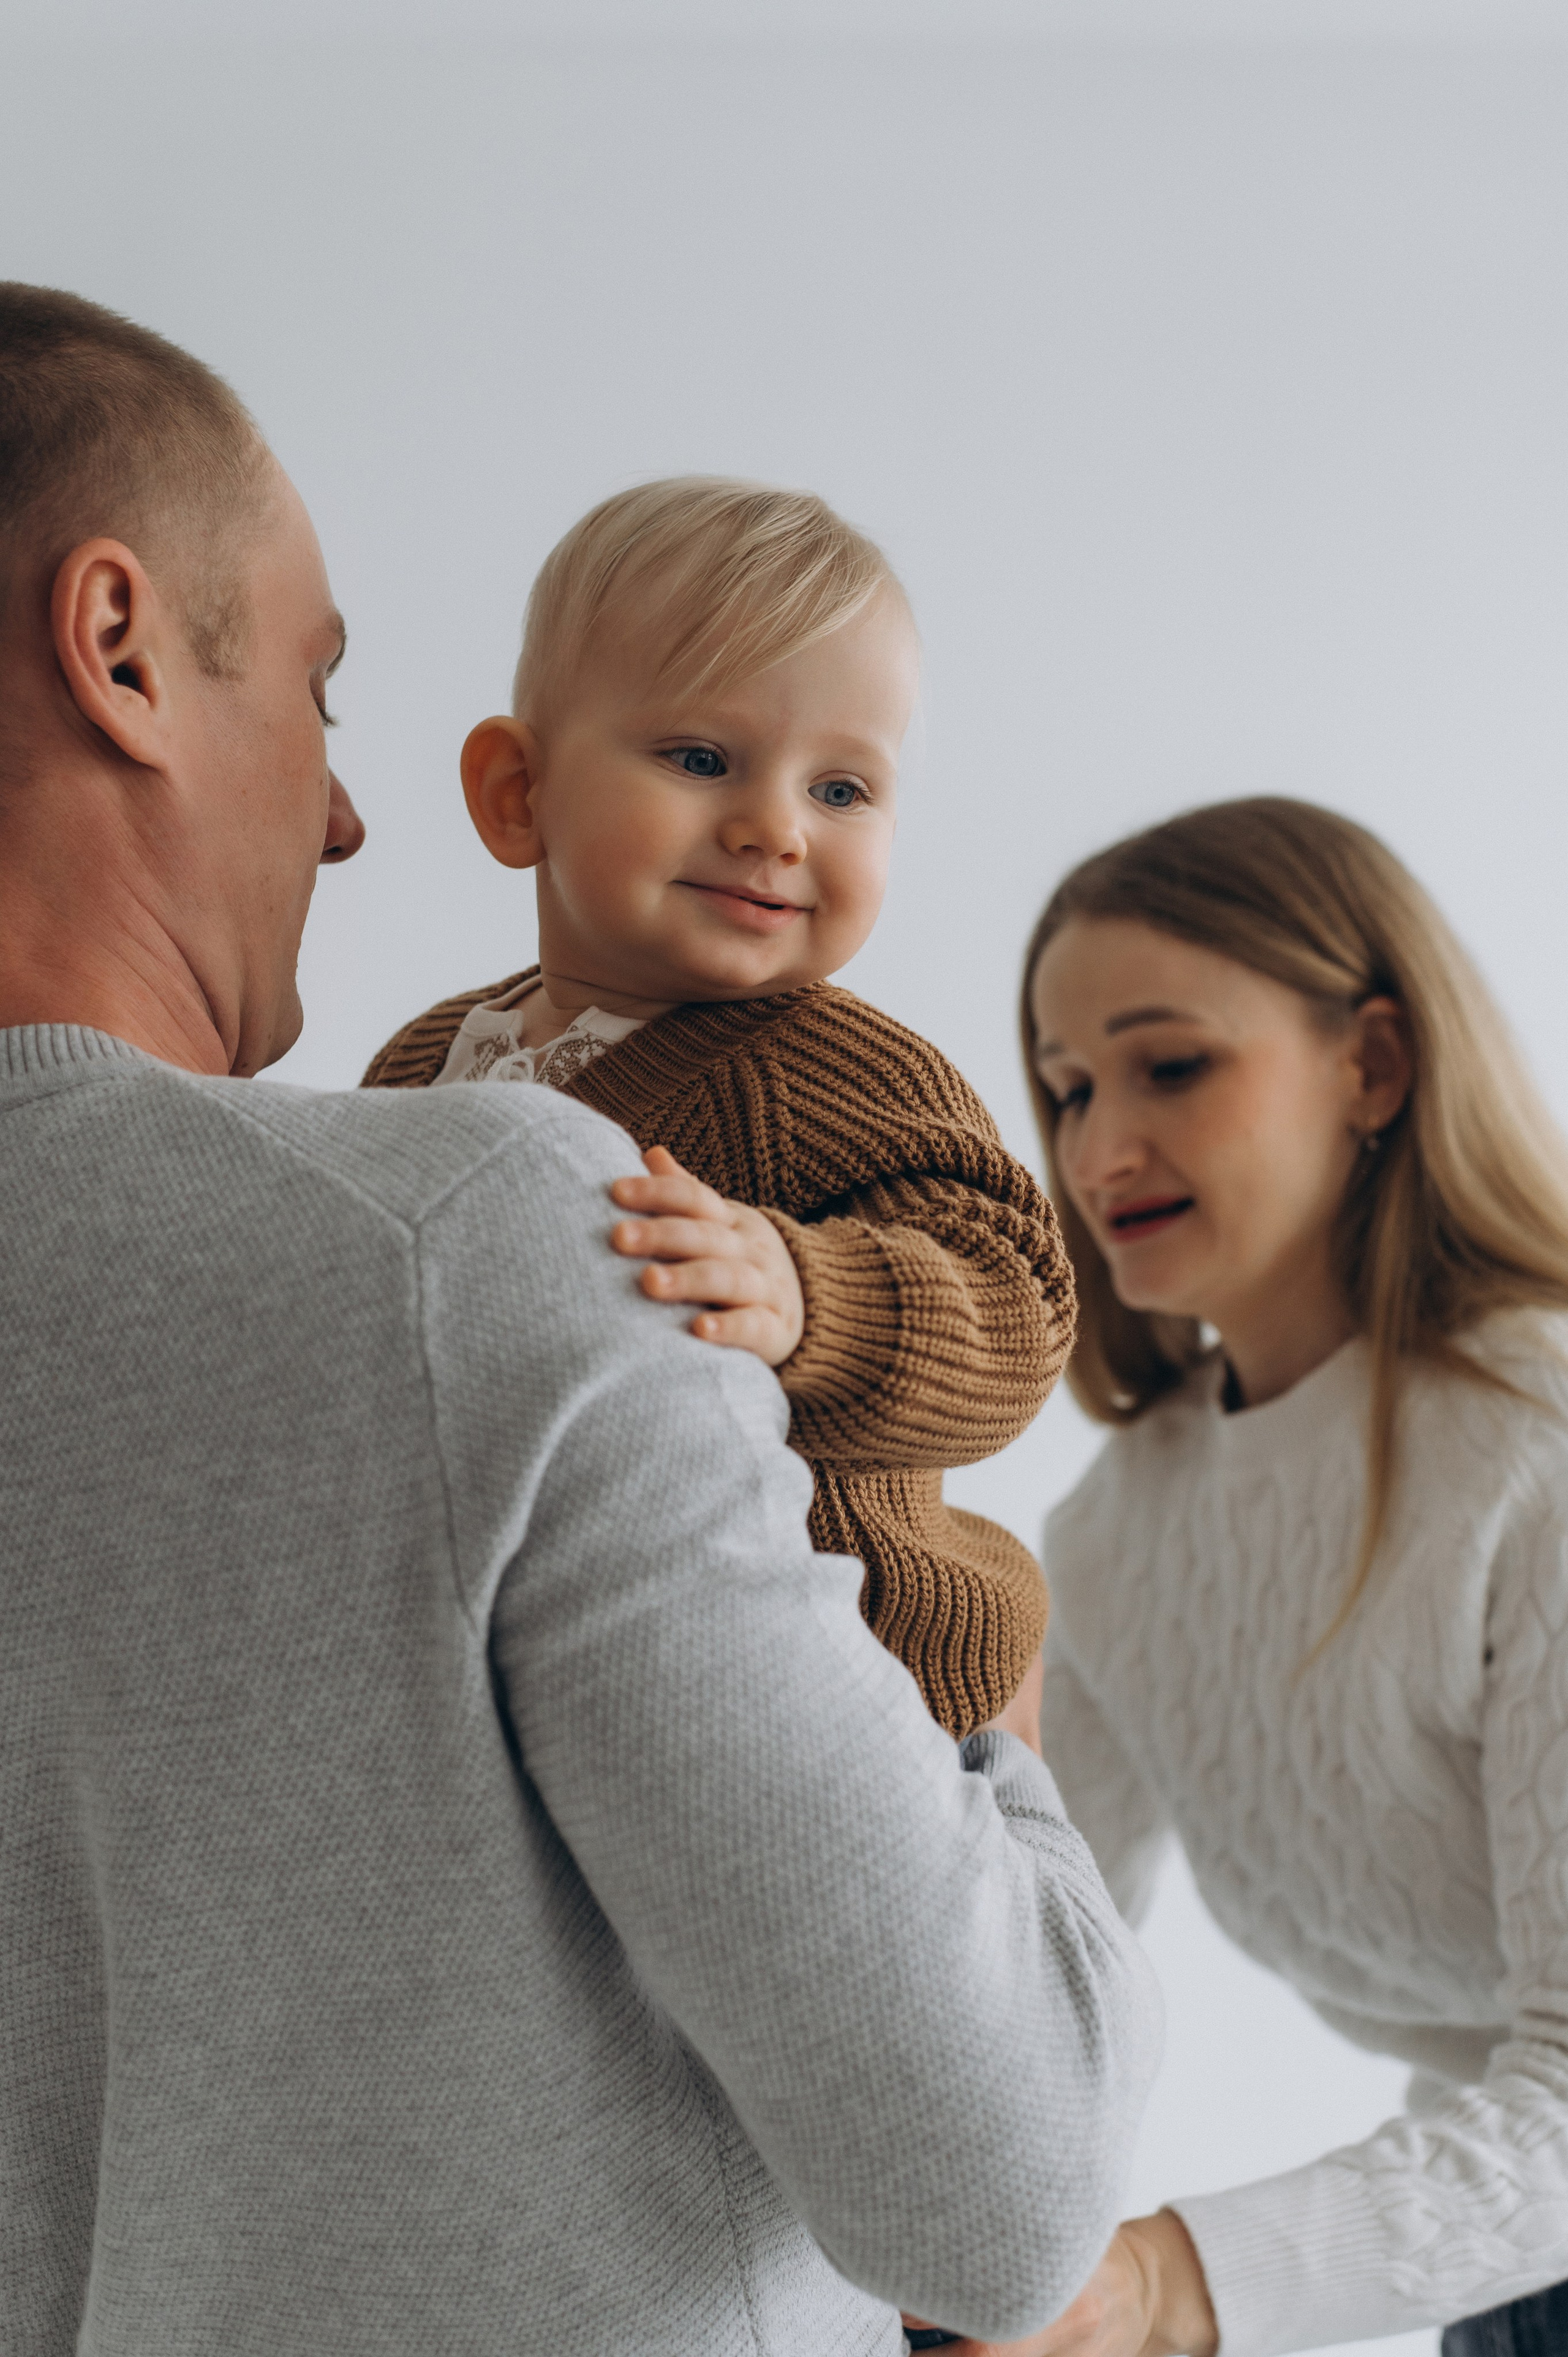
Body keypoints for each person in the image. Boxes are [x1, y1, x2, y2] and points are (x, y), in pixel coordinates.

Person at [0, 282, 1161, 2357]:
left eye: (842, 786)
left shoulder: (518, 1176)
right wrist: (991, 1718)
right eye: (324, 696)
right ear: (119, 654)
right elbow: (1005, 2200)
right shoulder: (490, 1229)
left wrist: (836, 1336)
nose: (344, 818)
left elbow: (1000, 1278)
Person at [363, 477, 1074, 1737]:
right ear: (516, 793)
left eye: (841, 791)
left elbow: (1017, 1309)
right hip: (568, 1670)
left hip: (866, 1679)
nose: (775, 827)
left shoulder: (835, 1068)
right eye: (702, 759)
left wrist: (810, 1296)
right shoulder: (427, 1065)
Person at [1001, 796, 1568, 2357]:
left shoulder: (1540, 1445)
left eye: (1168, 1064)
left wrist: (1162, 2289)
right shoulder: (1114, 1537)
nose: (1097, 1147)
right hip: (1497, 2265)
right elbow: (1038, 2001)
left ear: (1371, 1064)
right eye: (1063, 1088)